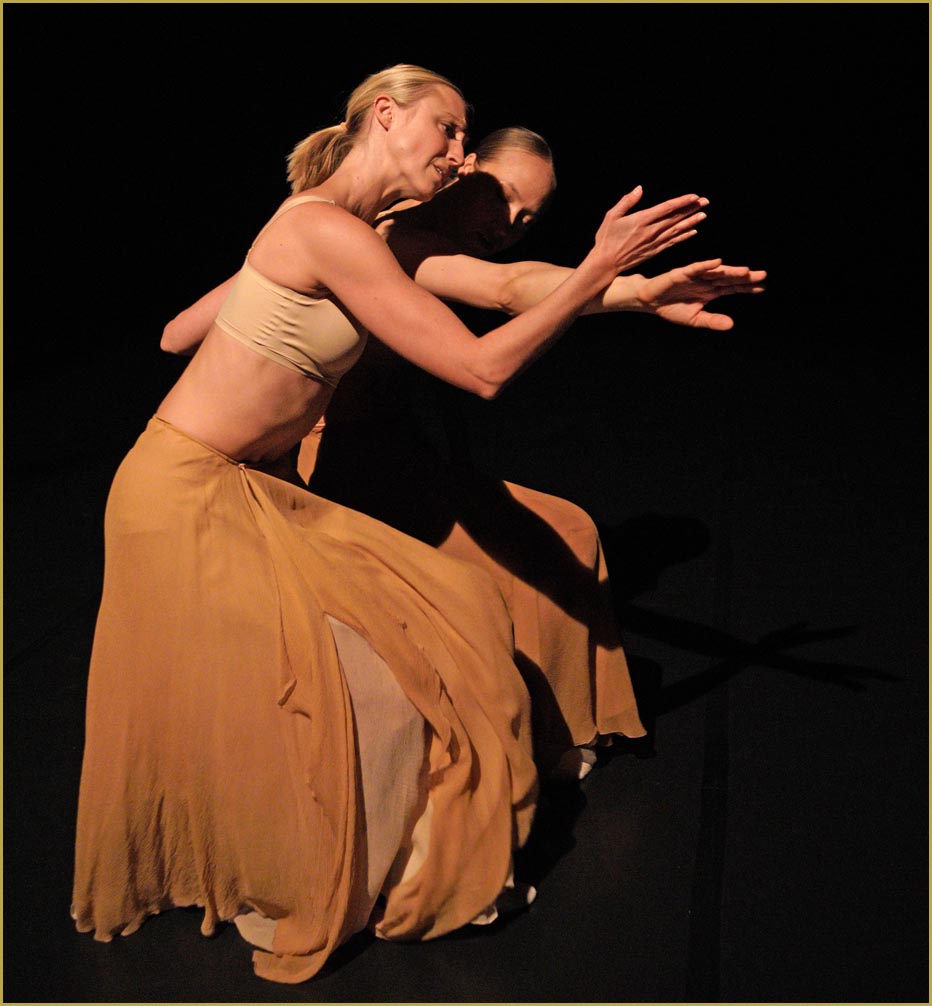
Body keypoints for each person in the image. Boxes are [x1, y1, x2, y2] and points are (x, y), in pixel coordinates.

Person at [72, 65, 719, 985]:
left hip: (246, 488)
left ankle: (401, 861)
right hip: (183, 496)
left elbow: (502, 285)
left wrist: (632, 292)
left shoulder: (344, 232)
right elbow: (483, 369)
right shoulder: (323, 229)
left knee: (456, 615)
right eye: (449, 131)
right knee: (362, 689)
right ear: (386, 114)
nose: (460, 155)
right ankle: (350, 878)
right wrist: (597, 274)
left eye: (464, 138)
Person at [162, 127, 765, 779]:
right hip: (332, 459)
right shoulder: (374, 236)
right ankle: (527, 736)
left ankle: (550, 728)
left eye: (528, 217)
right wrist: (633, 290)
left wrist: (640, 294)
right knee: (526, 554)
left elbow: (512, 282)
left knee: (563, 534)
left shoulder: (412, 243)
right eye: (503, 198)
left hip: (389, 450)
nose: (510, 224)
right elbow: (506, 290)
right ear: (467, 169)